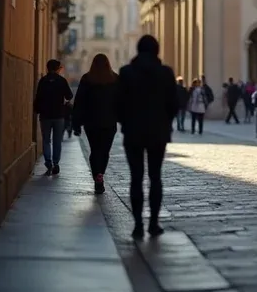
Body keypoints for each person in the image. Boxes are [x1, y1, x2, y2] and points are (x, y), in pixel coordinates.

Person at [116, 34, 179, 240]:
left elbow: (119, 104)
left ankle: (137, 225)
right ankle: (153, 223)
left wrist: (126, 121)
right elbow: (174, 104)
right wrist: (164, 121)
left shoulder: (126, 73)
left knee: (136, 178)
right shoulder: (166, 73)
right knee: (155, 177)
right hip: (158, 132)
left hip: (133, 132)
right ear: (157, 50)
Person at [72, 53, 120, 195]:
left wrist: (76, 123)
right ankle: (100, 175)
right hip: (109, 122)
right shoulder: (115, 79)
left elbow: (79, 102)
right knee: (104, 151)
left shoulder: (87, 79)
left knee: (95, 150)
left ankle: (96, 176)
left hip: (91, 122)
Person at [34, 59, 73, 175]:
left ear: (47, 68)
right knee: (57, 141)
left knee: (46, 140)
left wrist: (37, 110)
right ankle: (56, 163)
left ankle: (48, 163)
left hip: (45, 116)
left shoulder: (43, 81)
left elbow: (38, 97)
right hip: (59, 115)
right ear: (57, 69)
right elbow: (69, 95)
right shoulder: (61, 81)